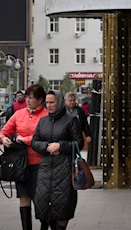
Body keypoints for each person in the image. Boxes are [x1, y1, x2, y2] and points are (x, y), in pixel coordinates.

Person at [0, 85, 50, 230]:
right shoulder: (18, 114)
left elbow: (46, 138)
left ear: (40, 99)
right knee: (24, 197)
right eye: (26, 97)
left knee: (39, 199)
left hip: (41, 163)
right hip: (21, 164)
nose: (27, 100)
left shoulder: (46, 116)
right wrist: (3, 139)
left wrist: (25, 139)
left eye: (31, 98)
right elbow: (4, 131)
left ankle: (44, 225)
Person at [32, 91, 84, 230]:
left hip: (64, 168)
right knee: (43, 202)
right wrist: (46, 147)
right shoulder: (43, 121)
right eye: (47, 103)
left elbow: (79, 143)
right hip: (45, 169)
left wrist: (60, 145)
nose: (48, 105)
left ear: (59, 102)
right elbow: (34, 141)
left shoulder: (71, 120)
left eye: (52, 102)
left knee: (63, 204)